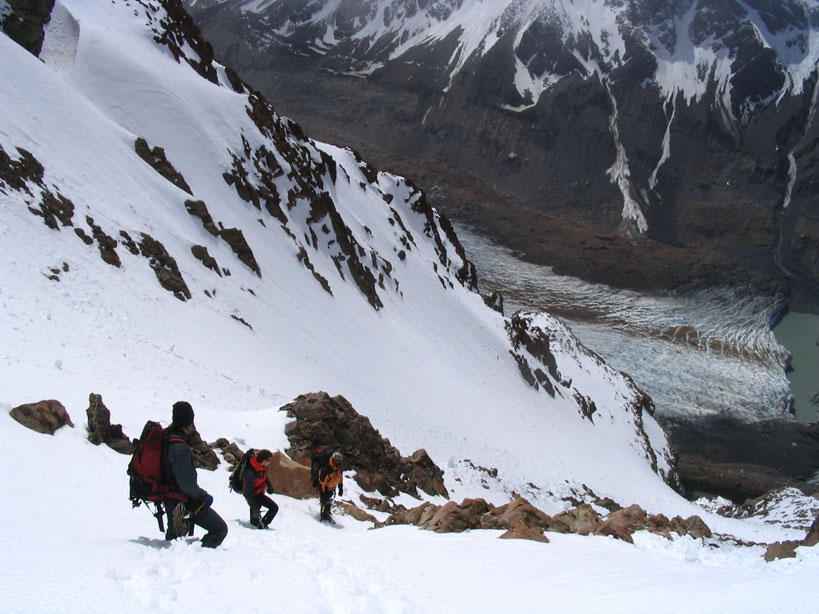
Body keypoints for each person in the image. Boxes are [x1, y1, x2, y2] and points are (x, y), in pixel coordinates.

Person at [161, 401, 228, 548]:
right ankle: (200, 556)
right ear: (189, 422)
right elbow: (187, 485)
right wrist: (204, 497)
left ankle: (176, 561)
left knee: (175, 539)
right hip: (182, 500)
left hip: (169, 497)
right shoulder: (179, 448)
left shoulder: (166, 436)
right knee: (220, 529)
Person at [243, 449, 279, 529]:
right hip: (252, 496)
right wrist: (254, 507)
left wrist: (270, 487)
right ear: (263, 460)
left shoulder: (261, 467)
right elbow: (247, 492)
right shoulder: (250, 472)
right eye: (269, 460)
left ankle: (263, 524)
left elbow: (265, 477)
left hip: (259, 493)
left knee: (274, 508)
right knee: (254, 524)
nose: (270, 462)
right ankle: (258, 526)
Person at [317, 451, 344, 523]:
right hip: (324, 488)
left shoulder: (339, 469)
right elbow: (322, 482)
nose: (337, 462)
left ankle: (327, 514)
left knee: (328, 501)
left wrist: (340, 488)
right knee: (324, 501)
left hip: (331, 488)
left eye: (338, 461)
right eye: (336, 460)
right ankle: (323, 515)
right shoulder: (326, 469)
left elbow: (340, 479)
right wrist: (323, 492)